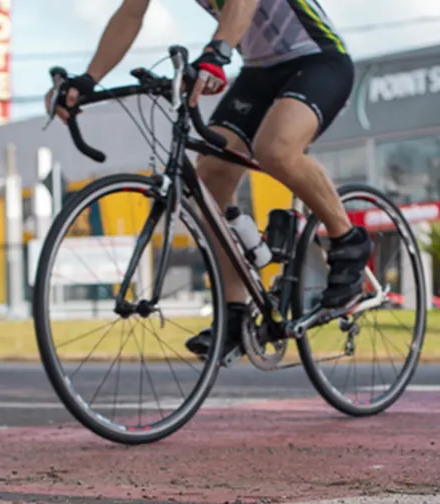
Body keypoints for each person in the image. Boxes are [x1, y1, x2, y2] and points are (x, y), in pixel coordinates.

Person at [47, 0, 373, 362]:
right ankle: (236, 313)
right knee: (209, 178)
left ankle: (349, 242)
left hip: (317, 59)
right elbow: (130, 14)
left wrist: (217, 52)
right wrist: (89, 79)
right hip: (259, 72)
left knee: (276, 149)